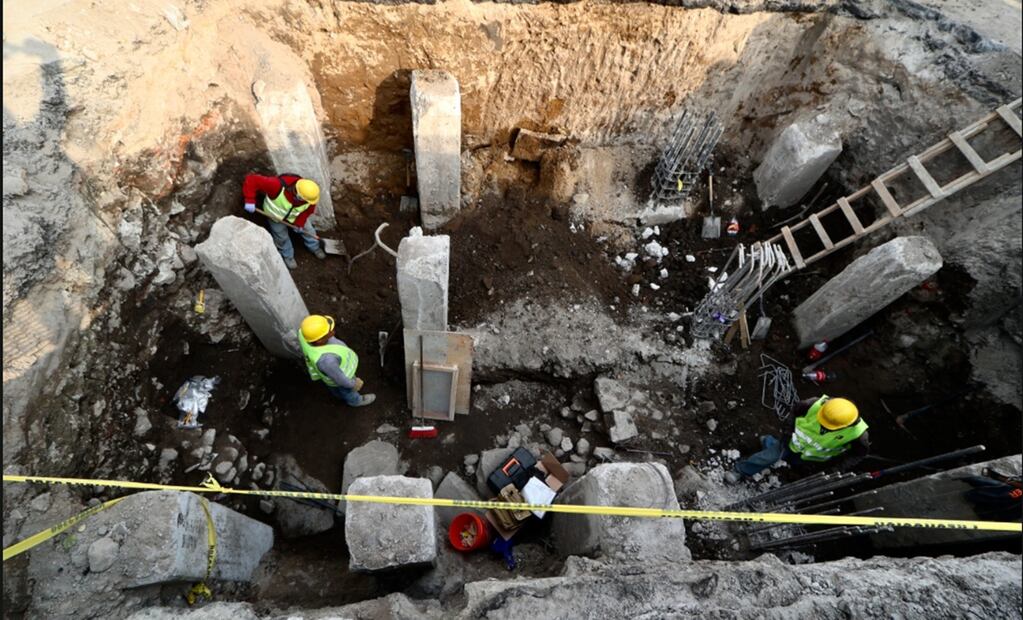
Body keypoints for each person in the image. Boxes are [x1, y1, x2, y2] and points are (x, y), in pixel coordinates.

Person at [731, 396, 869, 480]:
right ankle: (740, 470)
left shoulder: (858, 435)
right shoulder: (816, 404)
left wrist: (837, 469)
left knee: (791, 460)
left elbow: (857, 455)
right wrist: (787, 433)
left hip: (809, 456)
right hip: (791, 442)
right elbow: (794, 412)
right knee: (768, 457)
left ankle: (768, 441)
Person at [242, 173, 324, 269]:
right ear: (298, 195)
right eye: (304, 201)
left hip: (295, 216)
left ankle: (315, 247)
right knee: (281, 237)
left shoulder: (309, 198)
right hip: (275, 217)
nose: (307, 203)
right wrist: (249, 199)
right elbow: (252, 179)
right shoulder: (276, 186)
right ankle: (288, 255)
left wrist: (300, 223)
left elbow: (307, 211)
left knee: (308, 230)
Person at [298, 314, 375, 407]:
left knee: (335, 389)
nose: (333, 331)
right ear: (320, 341)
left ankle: (339, 395)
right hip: (340, 380)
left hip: (330, 379)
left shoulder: (304, 334)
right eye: (329, 331)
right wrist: (353, 384)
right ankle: (355, 401)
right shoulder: (327, 360)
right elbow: (340, 379)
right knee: (347, 391)